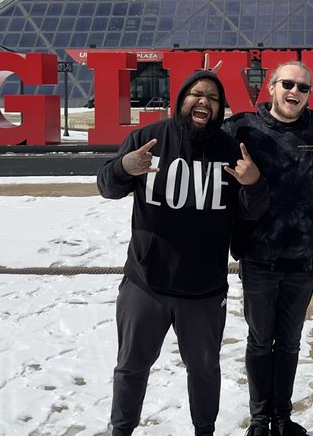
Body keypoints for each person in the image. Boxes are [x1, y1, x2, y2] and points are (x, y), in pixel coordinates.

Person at [97, 69, 269, 436]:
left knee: (205, 371)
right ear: (181, 100)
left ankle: (204, 430)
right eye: (196, 93)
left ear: (221, 108)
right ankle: (121, 430)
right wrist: (124, 167)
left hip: (204, 291)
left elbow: (252, 212)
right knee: (130, 367)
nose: (203, 101)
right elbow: (107, 186)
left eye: (213, 97)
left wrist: (254, 184)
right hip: (146, 284)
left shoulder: (229, 151)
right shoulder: (148, 139)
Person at [223, 61, 313, 436]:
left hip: (302, 261)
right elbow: (197, 144)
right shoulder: (242, 128)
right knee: (259, 341)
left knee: (288, 343)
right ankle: (259, 418)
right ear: (270, 87)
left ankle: (281, 417)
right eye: (288, 84)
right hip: (258, 258)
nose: (295, 92)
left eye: (303, 88)